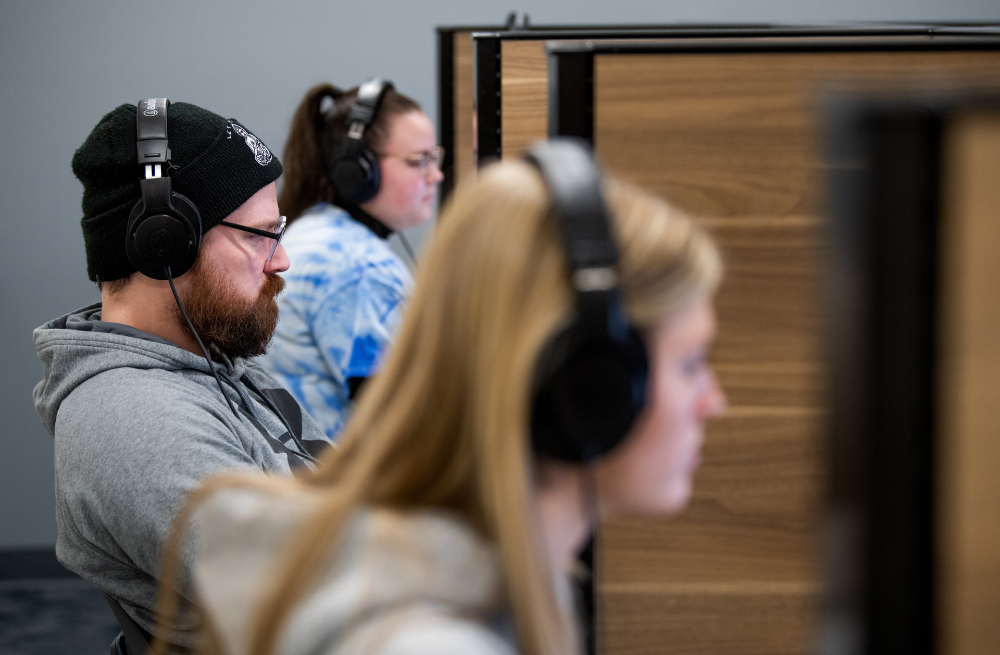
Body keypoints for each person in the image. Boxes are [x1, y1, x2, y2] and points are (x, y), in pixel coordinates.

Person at [154, 140, 725, 655]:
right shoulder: (432, 641)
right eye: (691, 364)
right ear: (592, 387)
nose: (713, 402)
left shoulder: (521, 568)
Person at [32, 98, 330, 651]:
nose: (282, 259)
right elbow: (325, 603)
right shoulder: (134, 420)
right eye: (259, 234)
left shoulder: (214, 366)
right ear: (164, 244)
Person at [257, 78, 444, 440]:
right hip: (342, 483)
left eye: (435, 157)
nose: (436, 175)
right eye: (418, 160)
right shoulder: (356, 267)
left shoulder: (320, 232)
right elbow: (409, 423)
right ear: (357, 171)